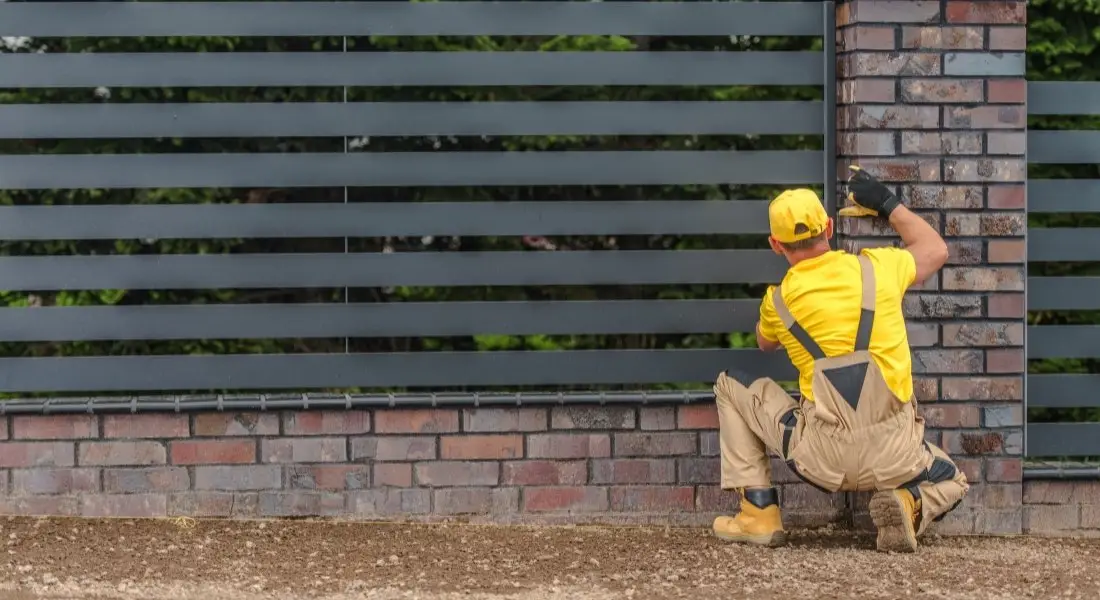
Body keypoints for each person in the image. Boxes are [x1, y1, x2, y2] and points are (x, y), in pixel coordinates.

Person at [710, 166, 969, 553]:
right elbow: (936, 249)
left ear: (775, 245)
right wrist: (886, 204)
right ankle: (909, 501)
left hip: (821, 459)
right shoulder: (880, 268)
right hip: (896, 456)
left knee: (730, 384)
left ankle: (758, 512)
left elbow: (765, 344)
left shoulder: (778, 301)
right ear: (829, 228)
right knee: (952, 480)